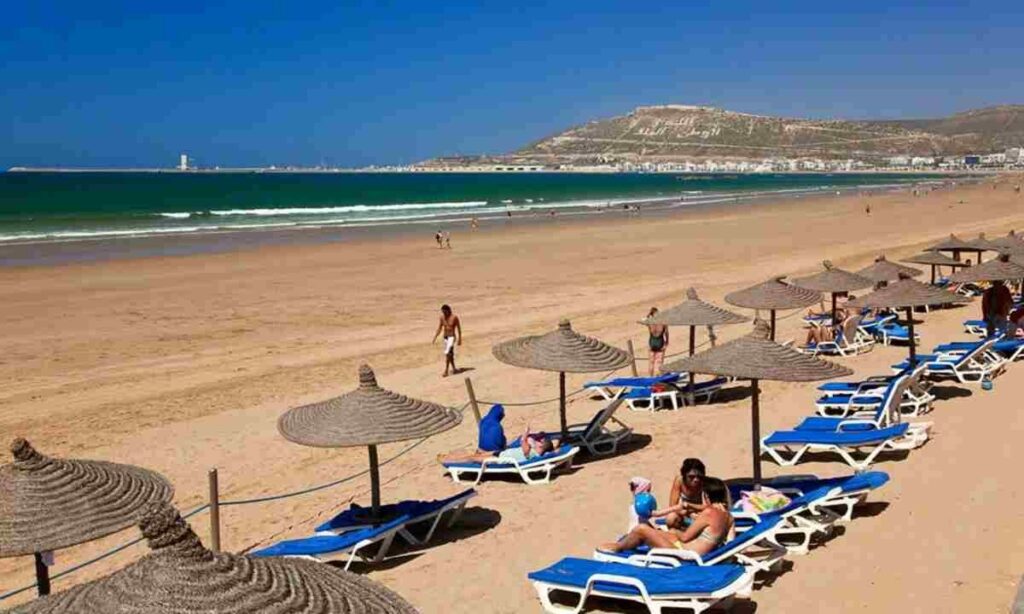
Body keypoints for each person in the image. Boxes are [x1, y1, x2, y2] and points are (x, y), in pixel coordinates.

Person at [599, 477, 733, 557]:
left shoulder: (708, 513)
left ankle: (618, 547)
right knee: (665, 532)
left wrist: (676, 532)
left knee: (642, 529)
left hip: (686, 555)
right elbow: (731, 542)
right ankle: (628, 543)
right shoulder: (729, 517)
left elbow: (685, 537)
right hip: (692, 551)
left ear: (707, 496)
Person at [439, 422, 560, 464]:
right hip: (502, 453)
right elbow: (554, 447)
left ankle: (449, 461)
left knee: (472, 458)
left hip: (500, 459)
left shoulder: (533, 453)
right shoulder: (539, 453)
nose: (537, 441)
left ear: (541, 445)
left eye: (539, 441)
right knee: (475, 455)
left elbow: (524, 447)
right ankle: (450, 457)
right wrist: (555, 448)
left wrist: (526, 434)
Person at [654, 458, 708, 530]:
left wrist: (691, 509)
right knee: (671, 518)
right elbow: (672, 506)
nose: (696, 480)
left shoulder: (705, 483)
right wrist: (688, 513)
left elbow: (709, 507)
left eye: (699, 477)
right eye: (691, 477)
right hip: (684, 512)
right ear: (684, 476)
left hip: (699, 513)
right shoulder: (679, 481)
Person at [431, 304, 462, 376]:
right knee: (450, 354)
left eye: (445, 312)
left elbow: (459, 329)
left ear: (448, 310)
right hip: (445, 337)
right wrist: (435, 337)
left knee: (448, 353)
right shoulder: (442, 318)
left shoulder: (454, 317)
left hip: (452, 337)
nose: (444, 313)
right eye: (443, 312)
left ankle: (446, 370)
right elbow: (440, 328)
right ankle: (454, 369)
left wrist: (460, 339)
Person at [645, 307, 669, 376]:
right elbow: (666, 333)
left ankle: (650, 377)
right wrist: (666, 343)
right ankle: (658, 377)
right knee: (659, 362)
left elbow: (645, 319)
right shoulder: (663, 322)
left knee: (651, 363)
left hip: (651, 343)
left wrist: (649, 315)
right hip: (660, 343)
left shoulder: (650, 322)